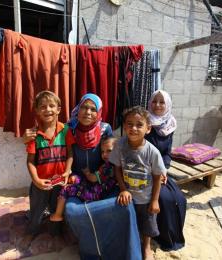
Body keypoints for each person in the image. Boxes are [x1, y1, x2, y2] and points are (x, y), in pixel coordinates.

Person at [63, 93, 142, 259]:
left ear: (98, 112)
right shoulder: (69, 128)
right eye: (84, 107)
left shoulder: (105, 129)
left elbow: (117, 151)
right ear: (78, 108)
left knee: (124, 205)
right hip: (79, 182)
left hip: (104, 180)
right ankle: (94, 250)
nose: (88, 112)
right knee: (72, 211)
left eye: (93, 109)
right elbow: (51, 135)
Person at [109, 106, 167, 260]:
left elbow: (157, 177)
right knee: (128, 221)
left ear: (148, 128)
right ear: (124, 125)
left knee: (147, 224)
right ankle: (130, 243)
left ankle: (146, 247)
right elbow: (117, 169)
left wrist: (154, 200)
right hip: (127, 196)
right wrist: (123, 189)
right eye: (129, 124)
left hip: (145, 197)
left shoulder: (152, 152)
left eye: (139, 124)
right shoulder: (120, 146)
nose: (133, 128)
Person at [25, 91, 73, 236]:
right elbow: (30, 161)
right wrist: (36, 180)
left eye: (52, 106)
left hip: (59, 182)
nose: (48, 110)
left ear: (58, 109)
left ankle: (55, 233)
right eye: (43, 107)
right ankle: (31, 232)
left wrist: (67, 171)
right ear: (37, 110)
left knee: (56, 209)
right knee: (36, 210)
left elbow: (70, 153)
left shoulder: (65, 130)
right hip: (41, 183)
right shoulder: (34, 135)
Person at [145, 89, 187, 251]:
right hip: (145, 171)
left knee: (180, 199)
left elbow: (167, 152)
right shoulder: (144, 122)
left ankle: (174, 236)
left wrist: (163, 170)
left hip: (160, 170)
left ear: (167, 104)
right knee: (165, 199)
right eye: (154, 101)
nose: (157, 105)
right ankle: (161, 236)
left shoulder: (169, 124)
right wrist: (155, 171)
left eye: (162, 102)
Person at [50, 136, 117, 221]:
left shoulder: (107, 166)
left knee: (67, 187)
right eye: (102, 152)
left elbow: (93, 179)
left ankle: (58, 214)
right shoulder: (115, 165)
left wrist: (87, 173)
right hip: (101, 190)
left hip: (95, 194)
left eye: (109, 151)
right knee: (75, 179)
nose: (104, 154)